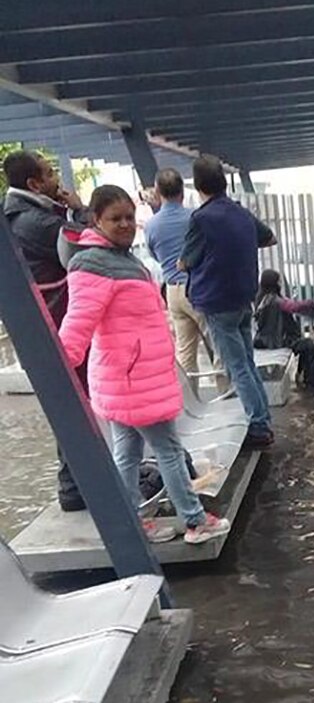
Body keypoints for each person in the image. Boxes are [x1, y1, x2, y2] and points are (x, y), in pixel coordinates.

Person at [57, 185, 230, 544]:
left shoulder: (117, 258)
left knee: (128, 453)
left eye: (129, 218)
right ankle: (195, 522)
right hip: (135, 380)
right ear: (95, 219)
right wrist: (57, 368)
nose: (124, 224)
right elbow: (77, 322)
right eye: (114, 218)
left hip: (128, 377)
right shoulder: (94, 265)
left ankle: (132, 522)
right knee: (167, 449)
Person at [3, 150, 90, 512]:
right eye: (51, 173)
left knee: (74, 404)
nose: (58, 179)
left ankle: (79, 483)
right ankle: (75, 486)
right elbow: (90, 244)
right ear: (34, 184)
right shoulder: (35, 223)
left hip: (54, 326)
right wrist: (81, 209)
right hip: (57, 328)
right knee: (73, 405)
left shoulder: (25, 216)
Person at [178, 155, 277, 448]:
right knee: (247, 361)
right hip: (244, 298)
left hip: (217, 302)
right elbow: (269, 238)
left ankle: (258, 426)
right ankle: (263, 419)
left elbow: (185, 262)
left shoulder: (201, 218)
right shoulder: (240, 212)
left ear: (197, 185)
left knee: (238, 367)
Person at [144, 168, 211, 381]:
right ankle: (226, 396)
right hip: (199, 288)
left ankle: (189, 402)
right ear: (182, 191)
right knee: (217, 346)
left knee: (185, 350)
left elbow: (154, 254)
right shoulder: (195, 217)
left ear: (158, 192)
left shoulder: (151, 225)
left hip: (172, 291)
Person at [253, 269, 314, 350]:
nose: (280, 283)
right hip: (276, 340)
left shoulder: (261, 298)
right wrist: (311, 303)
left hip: (263, 339)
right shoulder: (273, 300)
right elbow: (293, 307)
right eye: (279, 281)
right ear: (274, 283)